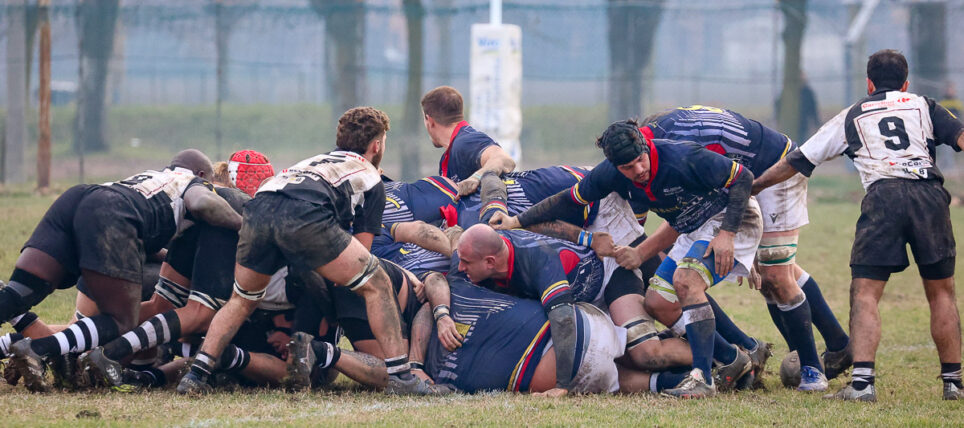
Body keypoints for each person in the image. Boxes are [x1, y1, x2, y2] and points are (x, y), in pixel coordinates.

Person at [491, 120, 763, 398]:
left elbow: (743, 178)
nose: (639, 170)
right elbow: (568, 200)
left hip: (730, 217)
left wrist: (729, 234)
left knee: (686, 281)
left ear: (646, 147)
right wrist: (516, 220)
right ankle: (735, 357)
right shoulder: (608, 175)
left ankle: (703, 378)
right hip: (693, 228)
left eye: (640, 160)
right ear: (614, 165)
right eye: (627, 168)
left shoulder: (682, 157)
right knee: (658, 302)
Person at [175, 107, 433, 395]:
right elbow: (362, 254)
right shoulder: (369, 176)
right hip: (303, 215)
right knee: (376, 282)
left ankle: (195, 375)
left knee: (241, 299)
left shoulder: (317, 160)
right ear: (377, 145)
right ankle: (402, 376)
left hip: (260, 207)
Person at [753, 49, 964, 402]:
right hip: (929, 195)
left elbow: (798, 160)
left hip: (884, 198)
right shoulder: (924, 105)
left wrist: (754, 185)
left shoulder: (852, 114)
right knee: (941, 291)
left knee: (866, 292)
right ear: (905, 82)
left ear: (869, 83)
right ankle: (953, 383)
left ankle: (863, 385)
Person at [640, 104, 851, 388]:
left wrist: (735, 236)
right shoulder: (668, 135)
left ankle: (813, 369)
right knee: (771, 271)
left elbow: (728, 189)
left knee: (775, 272)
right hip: (746, 179)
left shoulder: (681, 150)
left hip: (778, 168)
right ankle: (836, 343)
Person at [5, 149, 242, 392]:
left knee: (20, 292)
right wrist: (245, 228)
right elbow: (202, 202)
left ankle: (18, 339)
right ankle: (37, 349)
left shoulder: (152, 178)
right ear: (202, 174)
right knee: (120, 321)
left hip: (80, 198)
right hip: (112, 217)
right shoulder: (193, 182)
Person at [421, 86, 516, 196]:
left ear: (429, 120)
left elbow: (504, 159)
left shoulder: (466, 141)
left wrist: (476, 177)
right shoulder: (450, 153)